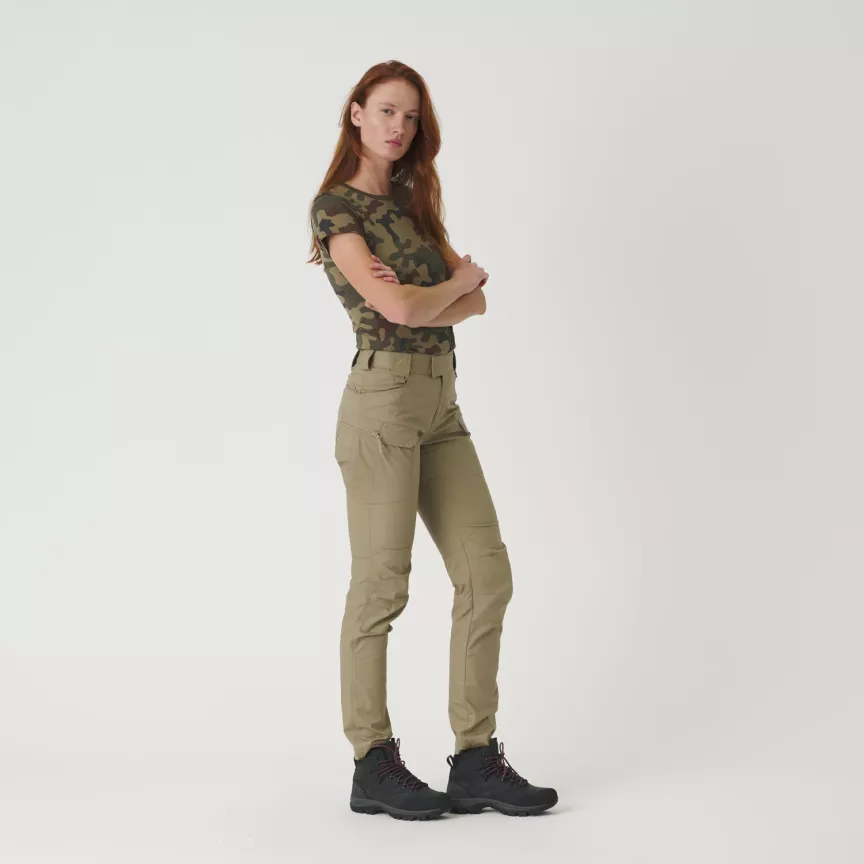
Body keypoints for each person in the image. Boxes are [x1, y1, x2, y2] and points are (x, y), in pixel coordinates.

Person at [307, 60, 558, 820]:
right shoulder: (336, 208)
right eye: (386, 110)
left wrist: (438, 295)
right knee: (382, 586)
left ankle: (475, 757)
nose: (399, 127)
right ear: (356, 112)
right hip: (382, 403)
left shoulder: (415, 205)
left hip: (442, 404)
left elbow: (474, 305)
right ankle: (371, 761)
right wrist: (449, 288)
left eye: (411, 117)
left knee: (487, 575)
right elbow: (403, 308)